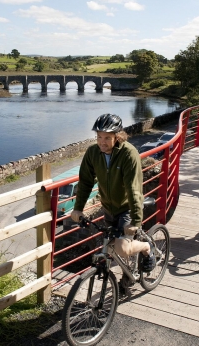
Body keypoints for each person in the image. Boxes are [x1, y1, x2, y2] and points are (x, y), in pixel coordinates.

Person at [71, 113, 156, 290]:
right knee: (111, 246)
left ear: (118, 136)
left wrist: (135, 221)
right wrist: (78, 209)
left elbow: (134, 189)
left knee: (123, 248)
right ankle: (128, 274)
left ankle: (147, 246)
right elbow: (86, 181)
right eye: (99, 137)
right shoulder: (93, 153)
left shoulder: (128, 153)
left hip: (127, 207)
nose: (102, 142)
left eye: (107, 138)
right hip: (109, 208)